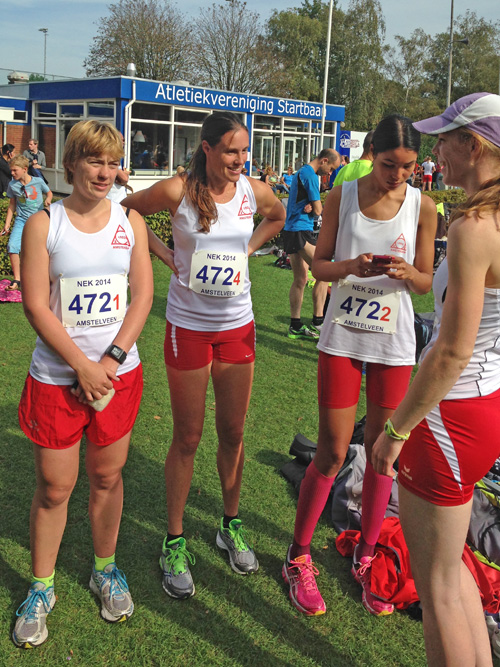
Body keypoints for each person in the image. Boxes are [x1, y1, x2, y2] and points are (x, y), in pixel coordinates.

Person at [122, 111, 285, 599]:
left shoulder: (253, 191)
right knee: (188, 436)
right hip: (188, 328)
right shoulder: (177, 190)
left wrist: (249, 249)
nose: (240, 160)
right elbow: (127, 210)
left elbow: (277, 215)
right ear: (208, 148)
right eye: (231, 151)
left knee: (233, 433)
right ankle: (174, 541)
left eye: (245, 152)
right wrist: (163, 253)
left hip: (237, 327)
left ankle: (229, 525)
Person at [282, 114, 436, 617]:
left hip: (393, 342)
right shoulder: (340, 197)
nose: (398, 176)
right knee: (330, 451)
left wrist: (406, 271)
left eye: (408, 167)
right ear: (371, 153)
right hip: (344, 337)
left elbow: (425, 282)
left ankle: (366, 556)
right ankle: (298, 555)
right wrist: (352, 267)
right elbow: (319, 264)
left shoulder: (423, 205)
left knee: (381, 455)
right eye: (390, 164)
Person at [11, 120, 153, 648]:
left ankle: (104, 568)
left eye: (112, 161)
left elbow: (141, 296)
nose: (104, 171)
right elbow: (34, 304)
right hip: (57, 378)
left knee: (108, 479)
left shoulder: (130, 221)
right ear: (70, 163)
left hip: (118, 375)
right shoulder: (43, 224)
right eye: (94, 160)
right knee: (54, 487)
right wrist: (82, 366)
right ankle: (42, 586)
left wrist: (111, 360)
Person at [371, 93, 500, 666]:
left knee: (439, 586)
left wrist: (395, 431)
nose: (436, 153)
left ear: (474, 145)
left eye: (445, 140)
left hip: (450, 412)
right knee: (455, 575)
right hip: (484, 407)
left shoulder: (476, 226)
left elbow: (450, 351)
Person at [282, 148, 340, 340]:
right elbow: (318, 209)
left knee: (300, 279)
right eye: (331, 168)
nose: (330, 173)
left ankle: (295, 326)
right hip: (300, 230)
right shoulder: (310, 175)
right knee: (324, 272)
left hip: (292, 230)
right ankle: (317, 322)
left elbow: (311, 206)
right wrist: (315, 208)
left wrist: (311, 207)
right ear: (324, 160)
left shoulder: (302, 173)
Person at [0, 155, 52, 291]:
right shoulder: (13, 185)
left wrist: (48, 200)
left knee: (41, 250)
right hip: (21, 220)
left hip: (38, 220)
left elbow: (49, 192)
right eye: (11, 170)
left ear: (24, 169)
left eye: (14, 170)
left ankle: (44, 278)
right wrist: (7, 224)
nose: (12, 173)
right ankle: (17, 279)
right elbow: (12, 205)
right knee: (12, 246)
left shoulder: (38, 181)